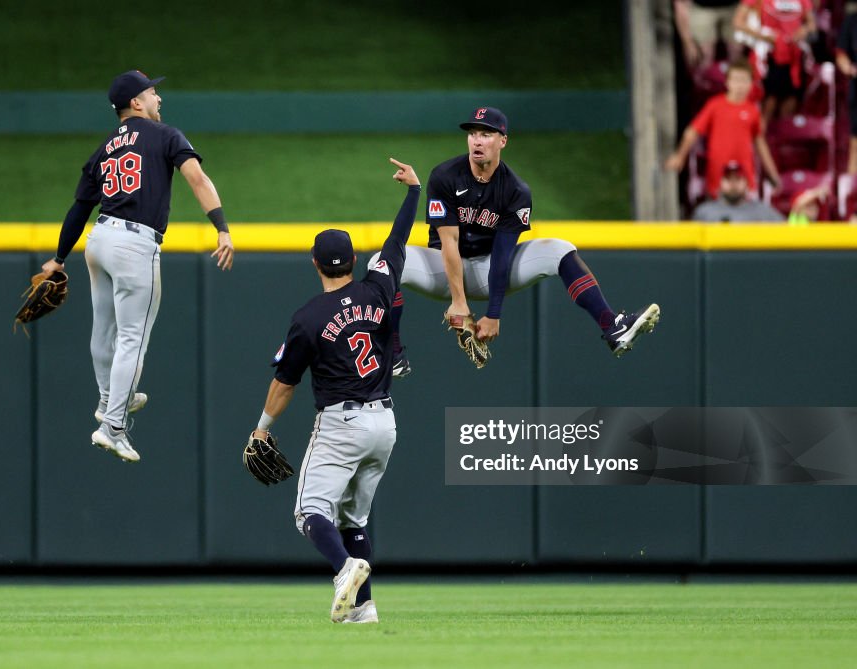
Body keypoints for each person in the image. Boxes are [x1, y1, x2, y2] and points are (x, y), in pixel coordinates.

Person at [250, 158, 421, 624]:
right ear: (353, 261)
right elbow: (397, 241)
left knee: (309, 512)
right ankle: (363, 608)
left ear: (315, 264)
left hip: (341, 423)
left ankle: (344, 569)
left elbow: (284, 382)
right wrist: (412, 193)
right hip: (384, 422)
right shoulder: (380, 287)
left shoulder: (308, 317)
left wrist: (262, 429)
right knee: (355, 520)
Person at [369, 107, 659, 375]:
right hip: (444, 271)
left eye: (486, 134)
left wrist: (493, 314)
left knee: (559, 250)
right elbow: (449, 243)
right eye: (472, 134)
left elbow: (504, 254)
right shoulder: (445, 176)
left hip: (492, 269)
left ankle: (613, 327)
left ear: (503, 141)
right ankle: (393, 353)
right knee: (381, 262)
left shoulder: (516, 190)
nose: (476, 141)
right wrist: (459, 302)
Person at [40, 70, 234, 462]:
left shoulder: (104, 148)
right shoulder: (165, 135)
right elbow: (196, 177)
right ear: (135, 103)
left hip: (99, 239)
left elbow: (80, 208)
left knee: (104, 329)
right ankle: (112, 425)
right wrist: (222, 228)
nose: (159, 98)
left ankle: (108, 397)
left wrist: (59, 258)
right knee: (133, 337)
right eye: (152, 92)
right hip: (134, 245)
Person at [666, 58, 781, 199]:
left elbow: (760, 143)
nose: (740, 85)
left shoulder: (753, 111)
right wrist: (680, 156)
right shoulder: (715, 105)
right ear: (727, 82)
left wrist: (773, 174)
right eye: (736, 80)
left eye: (744, 80)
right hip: (717, 177)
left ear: (751, 84)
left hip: (745, 180)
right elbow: (692, 131)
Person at [733, 0, 816, 122]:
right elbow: (738, 22)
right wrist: (763, 35)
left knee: (791, 98)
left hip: (794, 55)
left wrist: (804, 30)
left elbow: (811, 23)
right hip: (768, 55)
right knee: (769, 101)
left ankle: (784, 137)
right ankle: (762, 137)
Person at [692, 160, 786, 221]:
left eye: (738, 179)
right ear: (720, 183)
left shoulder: (763, 212)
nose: (733, 183)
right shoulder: (704, 212)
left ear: (747, 183)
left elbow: (787, 231)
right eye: (728, 179)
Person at [835, 2, 857, 175]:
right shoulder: (851, 21)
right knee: (856, 143)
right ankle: (852, 195)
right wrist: (849, 68)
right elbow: (841, 54)